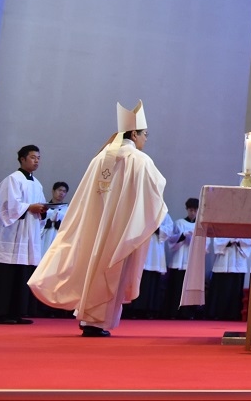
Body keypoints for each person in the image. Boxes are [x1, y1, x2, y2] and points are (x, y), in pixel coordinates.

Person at [29, 101, 168, 337]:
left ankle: (87, 317)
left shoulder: (100, 157)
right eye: (145, 134)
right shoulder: (140, 160)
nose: (146, 139)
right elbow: (153, 194)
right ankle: (95, 321)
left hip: (94, 227)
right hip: (120, 229)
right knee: (110, 271)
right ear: (134, 134)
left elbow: (85, 197)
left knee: (92, 267)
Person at [0, 145, 46, 324]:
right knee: (6, 274)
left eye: (38, 158)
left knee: (22, 272)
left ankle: (16, 312)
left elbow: (40, 205)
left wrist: (43, 210)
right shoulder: (12, 179)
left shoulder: (37, 183)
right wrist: (29, 207)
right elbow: (7, 206)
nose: (36, 161)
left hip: (28, 234)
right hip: (11, 235)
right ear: (22, 159)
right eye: (33, 157)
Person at [124, 213, 173, 319]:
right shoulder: (142, 211)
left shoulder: (163, 213)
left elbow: (169, 230)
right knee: (139, 281)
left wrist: (156, 228)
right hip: (141, 250)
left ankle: (150, 310)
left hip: (155, 253)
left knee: (152, 284)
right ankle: (135, 309)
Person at [162, 198, 203, 320]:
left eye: (195, 210)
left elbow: (204, 246)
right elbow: (171, 240)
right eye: (190, 210)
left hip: (191, 262)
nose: (193, 213)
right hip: (178, 261)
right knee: (176, 288)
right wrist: (183, 235)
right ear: (187, 209)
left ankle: (188, 313)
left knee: (189, 290)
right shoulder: (179, 223)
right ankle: (173, 313)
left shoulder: (200, 225)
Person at [206, 235, 251, 321]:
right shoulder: (223, 229)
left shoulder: (244, 230)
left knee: (235, 290)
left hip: (238, 261)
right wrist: (229, 240)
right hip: (223, 261)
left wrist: (238, 240)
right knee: (221, 289)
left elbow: (249, 241)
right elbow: (217, 241)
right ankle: (218, 313)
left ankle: (233, 314)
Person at [40, 182, 70, 255]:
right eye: (59, 190)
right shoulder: (44, 207)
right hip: (44, 237)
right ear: (53, 191)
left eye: (64, 191)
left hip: (58, 238)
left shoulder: (67, 210)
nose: (61, 193)